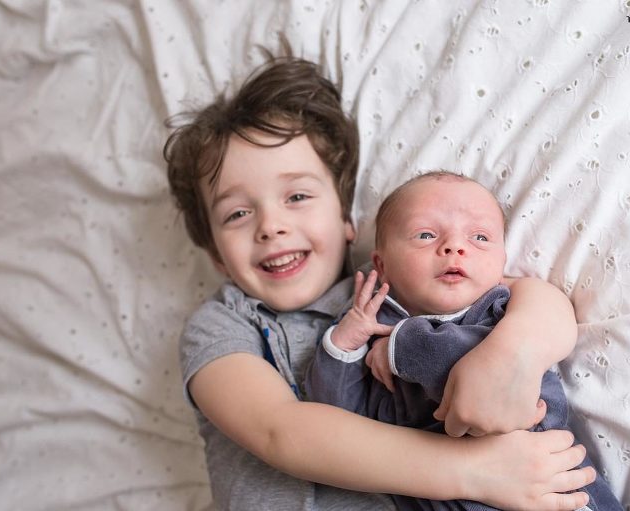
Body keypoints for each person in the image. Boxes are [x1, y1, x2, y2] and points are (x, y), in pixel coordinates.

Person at [164, 55, 596, 511]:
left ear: (346, 220)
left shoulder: (400, 286)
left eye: (297, 196)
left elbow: (527, 296)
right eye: (237, 214)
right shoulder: (221, 324)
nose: (271, 226)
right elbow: (281, 431)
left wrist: (513, 353)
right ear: (216, 254)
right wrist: (476, 469)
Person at [306, 171, 622, 511]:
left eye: (480, 238)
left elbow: (469, 362)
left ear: (501, 263)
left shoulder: (497, 312)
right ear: (381, 266)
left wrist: (401, 345)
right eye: (425, 235)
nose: (454, 247)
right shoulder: (372, 325)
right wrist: (343, 345)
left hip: (545, 485)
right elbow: (336, 418)